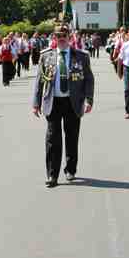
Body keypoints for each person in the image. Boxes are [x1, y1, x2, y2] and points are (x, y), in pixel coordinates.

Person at [32, 24, 94, 187]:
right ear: (54, 38)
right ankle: (52, 175)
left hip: (73, 102)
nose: (61, 39)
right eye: (58, 36)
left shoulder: (81, 56)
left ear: (69, 37)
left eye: (64, 36)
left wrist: (89, 99)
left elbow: (88, 79)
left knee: (72, 137)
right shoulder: (46, 56)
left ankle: (70, 169)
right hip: (53, 101)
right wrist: (36, 103)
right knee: (52, 139)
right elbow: (39, 81)